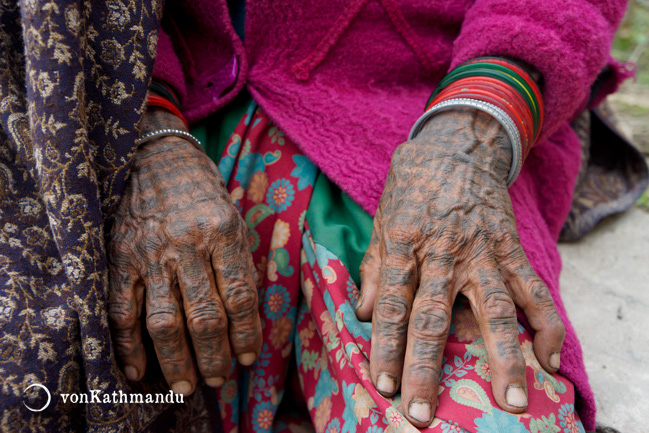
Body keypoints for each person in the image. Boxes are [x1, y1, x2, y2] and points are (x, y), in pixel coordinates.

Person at [1, 0, 647, 432]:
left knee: (489, 408)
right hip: (133, 92)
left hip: (419, 103)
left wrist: (471, 129)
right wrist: (144, 126)